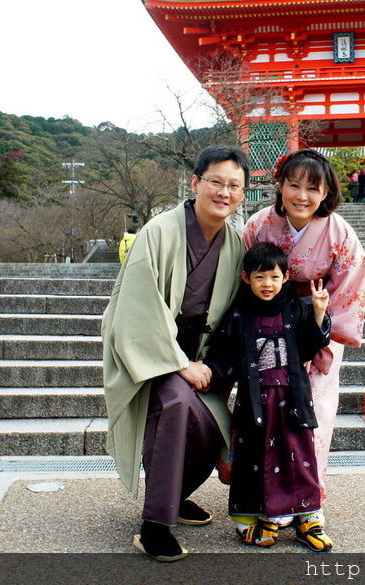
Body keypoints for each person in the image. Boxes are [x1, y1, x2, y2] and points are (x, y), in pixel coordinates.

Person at [102, 145, 249, 562]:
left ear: (242, 194)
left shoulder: (235, 244)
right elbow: (138, 306)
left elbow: (233, 318)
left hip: (201, 357)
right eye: (216, 182)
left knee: (215, 424)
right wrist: (179, 363)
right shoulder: (161, 231)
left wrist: (213, 366)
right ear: (196, 183)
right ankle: (154, 525)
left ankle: (174, 494)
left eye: (234, 186)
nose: (224, 192)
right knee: (178, 405)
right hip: (151, 349)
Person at [242, 149, 365, 514]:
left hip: (317, 326)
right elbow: (244, 279)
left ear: (326, 192)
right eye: (293, 185)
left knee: (316, 415)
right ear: (279, 185)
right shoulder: (257, 226)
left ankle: (309, 502)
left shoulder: (339, 233)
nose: (301, 196)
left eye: (313, 188)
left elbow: (349, 288)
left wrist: (323, 336)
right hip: (266, 329)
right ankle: (267, 498)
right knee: (265, 414)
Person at [204, 243, 334, 552]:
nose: (268, 284)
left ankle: (307, 518)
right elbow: (224, 355)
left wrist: (318, 312)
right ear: (246, 278)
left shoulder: (295, 309)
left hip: (293, 399)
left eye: (274, 277)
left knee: (300, 458)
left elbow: (307, 347)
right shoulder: (238, 314)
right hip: (254, 401)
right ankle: (251, 520)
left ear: (286, 277)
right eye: (260, 277)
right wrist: (207, 372)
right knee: (254, 460)